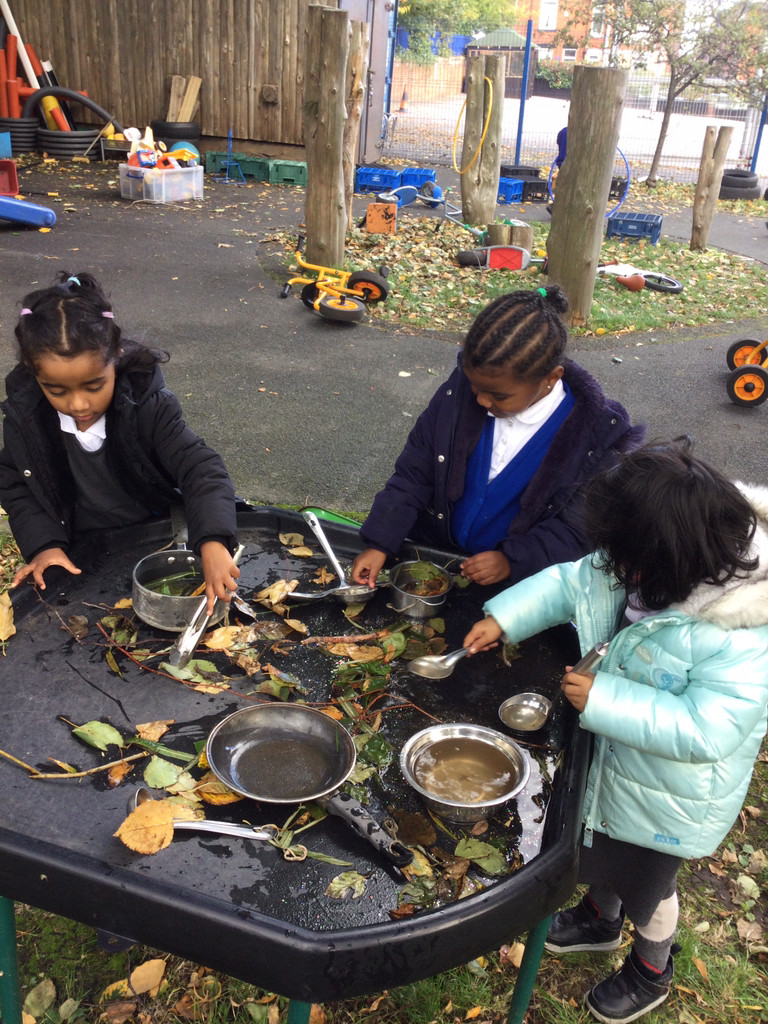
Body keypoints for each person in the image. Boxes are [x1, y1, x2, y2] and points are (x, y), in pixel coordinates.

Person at [463, 438, 768, 1022]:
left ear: (670, 553)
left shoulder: (737, 631)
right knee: (597, 850)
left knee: (646, 885)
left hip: (668, 799)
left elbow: (708, 729)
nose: (614, 568)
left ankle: (652, 968)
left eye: (624, 560)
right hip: (614, 763)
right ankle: (600, 921)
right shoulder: (643, 561)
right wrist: (505, 616)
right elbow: (571, 582)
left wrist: (605, 699)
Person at [350, 285, 644, 588]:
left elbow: (576, 529)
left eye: (499, 396)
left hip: (520, 584)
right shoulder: (458, 394)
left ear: (551, 378)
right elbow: (415, 473)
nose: (481, 400)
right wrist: (380, 542)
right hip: (435, 555)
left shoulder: (597, 437)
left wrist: (511, 560)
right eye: (475, 387)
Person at [0, 272, 240, 615]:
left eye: (94, 386)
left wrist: (213, 540)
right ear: (34, 373)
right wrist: (45, 545)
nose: (79, 404)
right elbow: (15, 483)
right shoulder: (27, 421)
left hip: (158, 535)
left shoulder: (148, 407)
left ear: (116, 357)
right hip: (87, 549)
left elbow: (201, 468)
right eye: (57, 390)